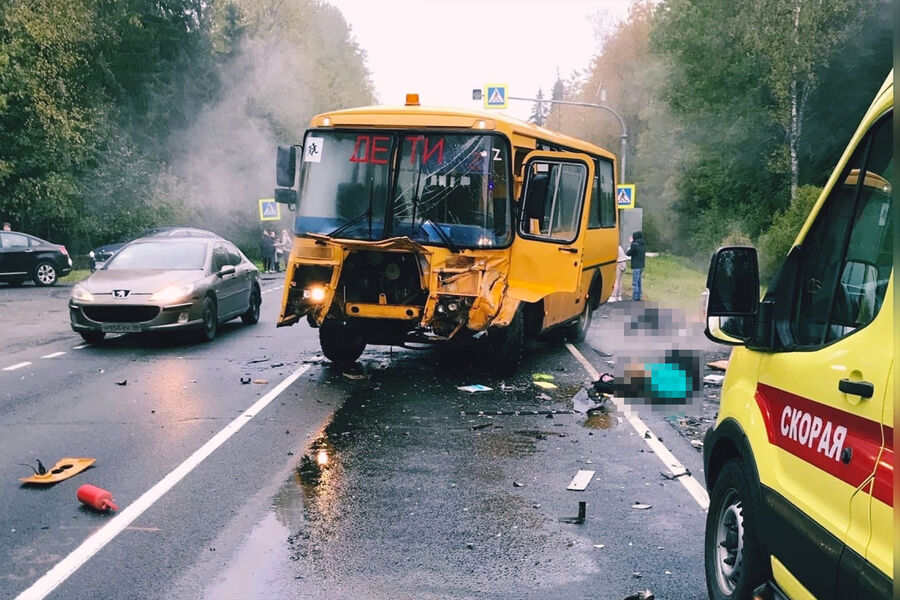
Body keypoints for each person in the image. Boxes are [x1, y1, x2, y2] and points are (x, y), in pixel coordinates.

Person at [625, 230, 646, 301]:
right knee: (639, 282)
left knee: (635, 282)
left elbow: (629, 253)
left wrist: (631, 243)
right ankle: (639, 296)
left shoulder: (635, 244)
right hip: (642, 265)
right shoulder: (643, 244)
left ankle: (635, 297)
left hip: (636, 266)